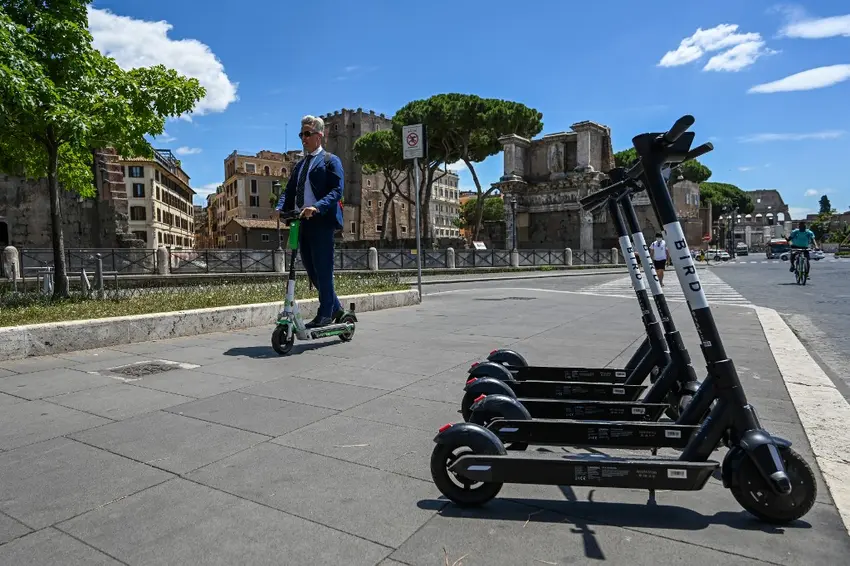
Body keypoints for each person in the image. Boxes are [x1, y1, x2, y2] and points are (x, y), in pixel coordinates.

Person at [276, 115, 344, 328]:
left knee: (323, 270)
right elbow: (288, 191)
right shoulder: (300, 165)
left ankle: (325, 314)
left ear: (319, 136)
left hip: (320, 221)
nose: (303, 138)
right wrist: (279, 208)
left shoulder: (330, 161)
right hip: (300, 222)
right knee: (311, 270)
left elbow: (337, 191)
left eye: (307, 134)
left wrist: (317, 207)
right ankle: (337, 308)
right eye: (301, 135)